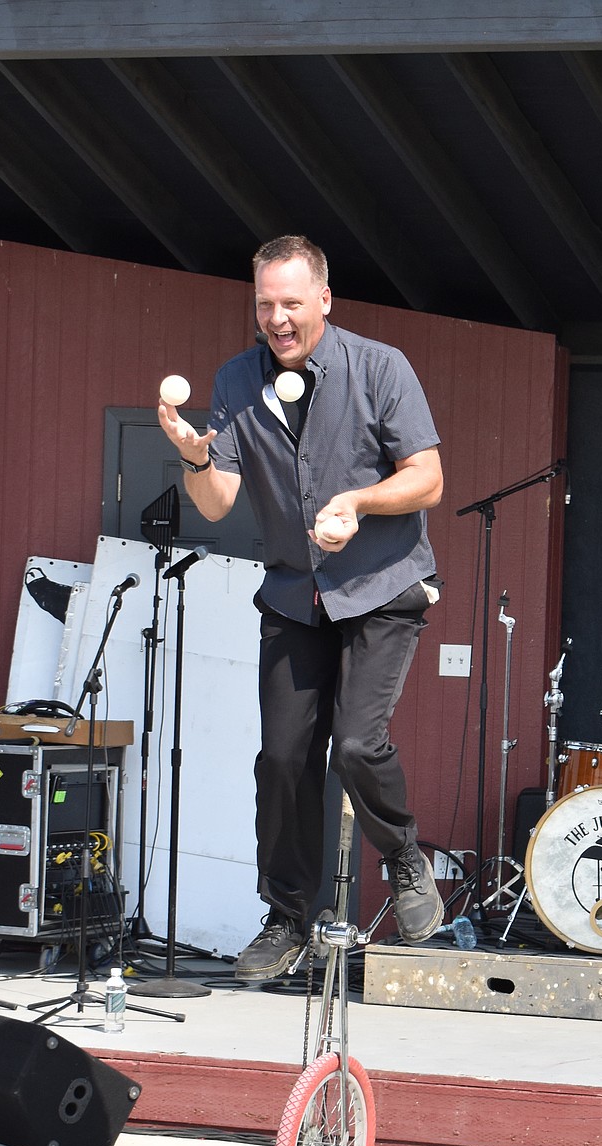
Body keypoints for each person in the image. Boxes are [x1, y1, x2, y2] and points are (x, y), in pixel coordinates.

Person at [157, 234, 445, 981]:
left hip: (381, 588)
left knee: (354, 745)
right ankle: (288, 917)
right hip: (294, 593)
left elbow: (428, 478)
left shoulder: (380, 368)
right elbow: (217, 502)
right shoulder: (235, 380)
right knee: (283, 759)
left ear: (323, 299)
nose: (277, 319)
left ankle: (408, 861)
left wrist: (356, 499)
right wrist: (193, 456)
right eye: (264, 305)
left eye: (291, 303)